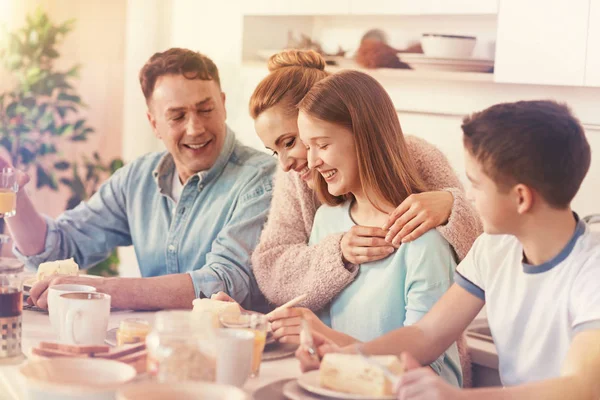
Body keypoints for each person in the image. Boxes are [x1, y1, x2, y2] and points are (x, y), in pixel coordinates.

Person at [297, 100, 600, 400]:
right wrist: (348, 354)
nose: (467, 196)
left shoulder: (592, 270)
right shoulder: (493, 249)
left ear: (521, 199)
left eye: (476, 185)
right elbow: (426, 334)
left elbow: (581, 388)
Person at [5, 48, 276, 311]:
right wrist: (10, 191)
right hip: (155, 345)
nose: (195, 128)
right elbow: (59, 247)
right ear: (154, 123)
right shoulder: (138, 178)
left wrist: (101, 290)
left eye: (205, 110)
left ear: (223, 105)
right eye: (177, 116)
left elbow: (225, 283)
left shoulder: (263, 178)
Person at [249, 50, 482, 314]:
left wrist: (451, 203)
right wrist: (337, 254)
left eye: (290, 142)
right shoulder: (303, 188)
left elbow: (480, 250)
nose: (285, 164)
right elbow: (272, 265)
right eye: (274, 150)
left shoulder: (417, 156)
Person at [291, 70, 463, 386]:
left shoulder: (421, 236)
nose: (312, 161)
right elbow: (321, 344)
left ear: (365, 138)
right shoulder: (328, 222)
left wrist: (325, 338)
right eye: (307, 146)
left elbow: (425, 365)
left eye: (322, 144)